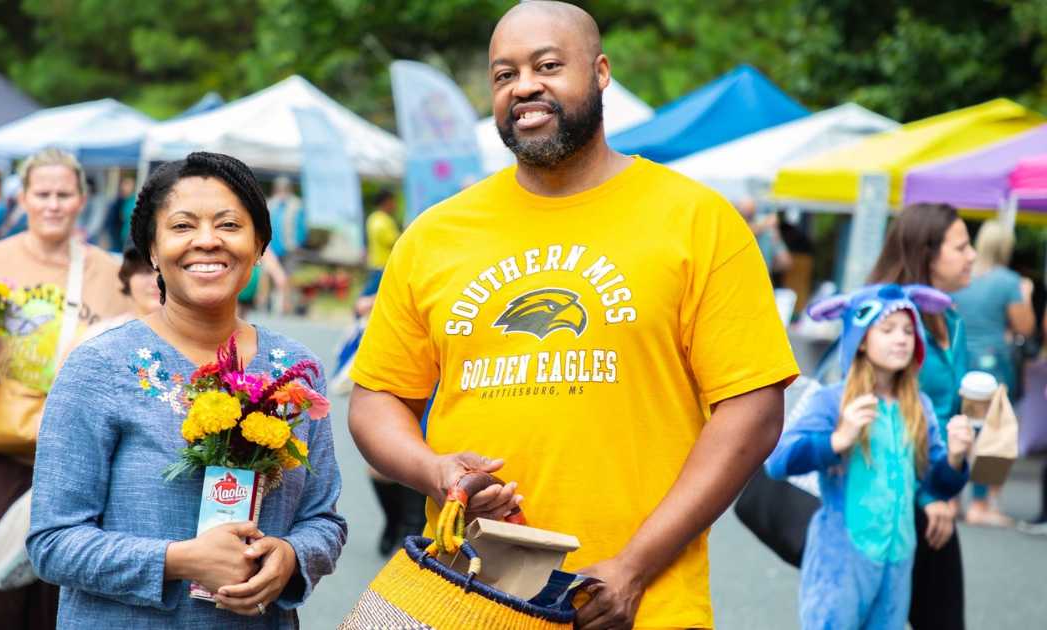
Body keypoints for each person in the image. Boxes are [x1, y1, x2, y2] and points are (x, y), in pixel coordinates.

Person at [347, 3, 798, 628]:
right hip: (466, 596)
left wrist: (634, 567)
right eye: (504, 74)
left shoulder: (697, 221)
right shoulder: (434, 235)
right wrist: (435, 471)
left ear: (601, 72)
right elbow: (376, 399)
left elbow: (753, 409)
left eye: (548, 66)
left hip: (645, 603)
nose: (524, 86)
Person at [28, 151, 345, 628]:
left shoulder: (296, 370)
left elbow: (323, 520)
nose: (207, 240)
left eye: (229, 225)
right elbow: (52, 542)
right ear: (153, 251)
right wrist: (178, 560)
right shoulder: (99, 367)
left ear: (260, 245)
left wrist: (291, 556)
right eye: (182, 226)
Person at [0, 148, 132, 630]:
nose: (53, 205)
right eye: (42, 194)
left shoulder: (109, 274)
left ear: (81, 200)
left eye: (64, 194)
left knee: (53, 599)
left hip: (65, 457)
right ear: (23, 199)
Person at [767, 284, 972, 629]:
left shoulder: (919, 406)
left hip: (898, 563)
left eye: (908, 331)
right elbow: (778, 461)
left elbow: (934, 483)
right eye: (888, 330)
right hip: (840, 561)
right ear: (861, 339)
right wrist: (837, 440)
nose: (901, 339)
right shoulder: (833, 400)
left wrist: (954, 458)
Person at [866, 202, 975, 630]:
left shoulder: (950, 316)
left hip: (937, 487)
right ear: (927, 253)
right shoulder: (890, 320)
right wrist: (929, 496)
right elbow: (881, 412)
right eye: (961, 247)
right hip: (889, 497)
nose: (972, 256)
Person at [951, 219, 1033, 527]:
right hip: (993, 363)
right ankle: (981, 502)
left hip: (959, 357)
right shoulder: (1009, 282)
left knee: (957, 425)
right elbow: (1025, 327)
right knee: (992, 432)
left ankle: (950, 496)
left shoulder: (960, 277)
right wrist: (1026, 295)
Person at [75, 245, 161, 342]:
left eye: (164, 272)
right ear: (127, 277)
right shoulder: (97, 337)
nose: (156, 282)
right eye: (145, 271)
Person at [106, 176, 135, 252]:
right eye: (123, 184)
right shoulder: (117, 200)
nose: (124, 187)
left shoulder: (133, 201)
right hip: (116, 233)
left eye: (127, 185)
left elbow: (126, 216)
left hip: (127, 235)